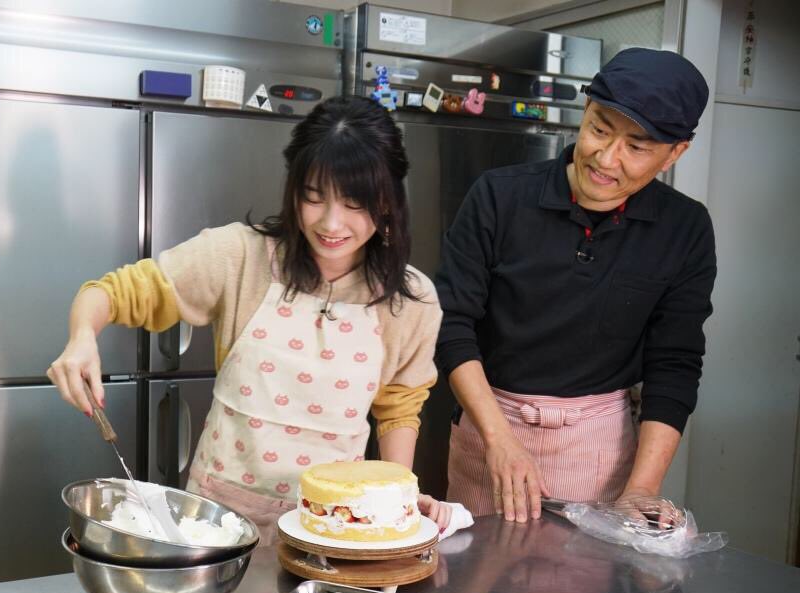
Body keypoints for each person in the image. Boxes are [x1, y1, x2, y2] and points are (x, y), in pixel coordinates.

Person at [49, 96, 451, 544]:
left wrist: (395, 500)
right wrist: (81, 337)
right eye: (314, 197)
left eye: (355, 203)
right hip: (218, 522)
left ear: (388, 202)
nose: (331, 223)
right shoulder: (241, 256)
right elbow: (112, 292)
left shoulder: (411, 301)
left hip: (331, 527)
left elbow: (398, 409)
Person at [434, 48, 716, 523]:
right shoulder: (499, 196)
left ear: (675, 152)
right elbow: (450, 323)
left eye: (637, 147)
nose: (606, 159)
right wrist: (499, 440)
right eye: (599, 130)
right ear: (585, 112)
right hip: (491, 429)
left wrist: (641, 488)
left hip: (601, 447)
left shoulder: (685, 227)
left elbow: (675, 362)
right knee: (476, 565)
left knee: (589, 573)